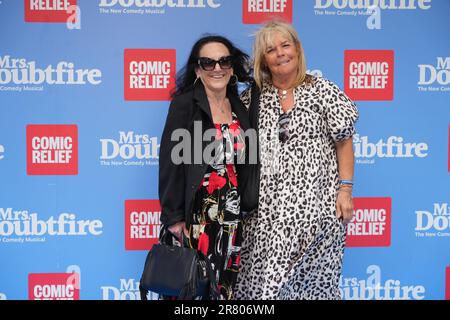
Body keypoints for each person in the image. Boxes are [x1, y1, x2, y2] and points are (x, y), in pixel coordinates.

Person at [234, 21, 359, 300]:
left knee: (315, 289)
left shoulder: (324, 90)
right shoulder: (250, 98)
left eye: (285, 45)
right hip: (265, 217)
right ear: (263, 59)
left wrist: (346, 191)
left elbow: (344, 142)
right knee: (263, 290)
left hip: (318, 212)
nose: (280, 53)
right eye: (271, 49)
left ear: (298, 49)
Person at [158, 35, 252, 300]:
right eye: (208, 63)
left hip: (231, 221)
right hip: (196, 218)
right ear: (198, 69)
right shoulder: (185, 105)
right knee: (189, 294)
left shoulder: (238, 107)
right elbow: (170, 163)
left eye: (224, 61)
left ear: (232, 68)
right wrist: (174, 219)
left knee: (222, 293)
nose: (217, 68)